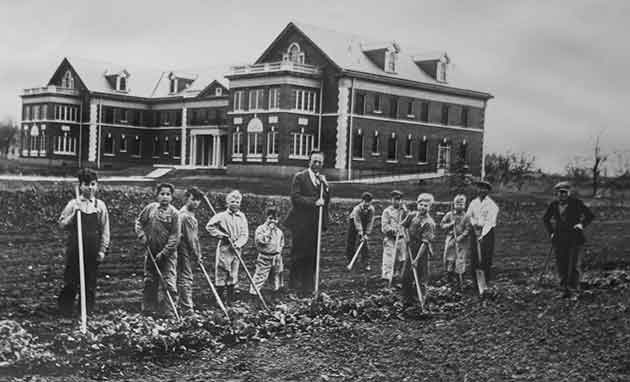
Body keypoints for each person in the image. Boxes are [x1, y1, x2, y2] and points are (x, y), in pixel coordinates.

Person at [57, 168, 110, 316]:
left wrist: (102, 250)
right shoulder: (73, 204)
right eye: (86, 184)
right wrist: (74, 215)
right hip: (75, 248)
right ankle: (65, 310)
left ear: (97, 185)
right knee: (71, 281)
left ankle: (85, 311)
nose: (90, 188)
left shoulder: (100, 206)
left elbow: (105, 230)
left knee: (89, 283)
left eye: (93, 184)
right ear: (80, 186)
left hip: (92, 249)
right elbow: (61, 224)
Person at [284, 150, 331, 296]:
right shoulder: (300, 177)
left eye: (320, 162)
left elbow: (325, 201)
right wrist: (314, 202)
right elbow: (295, 198)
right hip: (300, 223)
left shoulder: (321, 180)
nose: (317, 164)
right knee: (299, 253)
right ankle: (293, 285)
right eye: (314, 161)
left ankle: (308, 285)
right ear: (309, 162)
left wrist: (326, 187)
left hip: (314, 224)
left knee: (312, 255)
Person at [134, 183, 181, 317]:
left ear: (172, 197)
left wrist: (164, 253)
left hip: (168, 255)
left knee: (169, 282)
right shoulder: (150, 209)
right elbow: (139, 222)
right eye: (162, 194)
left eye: (168, 194)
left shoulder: (175, 214)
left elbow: (175, 236)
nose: (165, 197)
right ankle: (148, 309)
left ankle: (169, 312)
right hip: (151, 252)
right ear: (157, 195)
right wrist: (142, 235)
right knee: (149, 280)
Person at [543, 181, 594, 297]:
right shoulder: (554, 205)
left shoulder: (576, 203)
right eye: (559, 193)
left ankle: (574, 290)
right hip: (559, 238)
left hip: (575, 238)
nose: (562, 195)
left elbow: (590, 216)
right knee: (562, 265)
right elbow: (545, 219)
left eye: (564, 192)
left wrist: (581, 225)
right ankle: (564, 290)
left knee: (574, 265)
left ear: (569, 193)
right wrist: (551, 232)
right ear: (556, 194)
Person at [206, 190, 249, 305]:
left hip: (236, 249)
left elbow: (245, 234)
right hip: (225, 249)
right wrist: (222, 236)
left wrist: (238, 243)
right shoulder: (221, 216)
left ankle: (230, 298)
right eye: (232, 201)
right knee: (222, 271)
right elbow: (209, 227)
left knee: (233, 272)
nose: (235, 204)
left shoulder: (242, 217)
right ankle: (218, 298)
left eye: (237, 202)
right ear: (227, 203)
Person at [401, 193, 436, 305]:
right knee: (406, 275)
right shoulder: (412, 216)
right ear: (417, 204)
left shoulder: (429, 223)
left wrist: (416, 259)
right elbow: (403, 226)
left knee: (421, 276)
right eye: (421, 204)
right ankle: (407, 298)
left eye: (426, 205)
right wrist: (406, 237)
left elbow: (425, 243)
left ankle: (421, 300)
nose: (422, 207)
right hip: (411, 248)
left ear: (429, 207)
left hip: (422, 251)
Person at [177, 187, 204, 316]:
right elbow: (191, 239)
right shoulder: (186, 216)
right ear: (186, 198)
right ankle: (187, 309)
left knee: (181, 277)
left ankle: (180, 305)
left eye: (198, 201)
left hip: (183, 248)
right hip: (183, 249)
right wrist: (197, 255)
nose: (196, 203)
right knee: (186, 278)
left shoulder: (186, 213)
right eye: (193, 199)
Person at [466, 180, 499, 284]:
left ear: (488, 191)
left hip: (487, 233)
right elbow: (469, 216)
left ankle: (485, 281)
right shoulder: (473, 202)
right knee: (474, 256)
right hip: (474, 231)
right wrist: (474, 225)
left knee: (486, 257)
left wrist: (481, 235)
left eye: (485, 189)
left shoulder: (492, 205)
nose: (482, 190)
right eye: (480, 188)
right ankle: (475, 281)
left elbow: (490, 222)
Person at [250, 207, 285, 295]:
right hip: (264, 257)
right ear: (266, 218)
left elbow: (281, 243)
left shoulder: (279, 232)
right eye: (270, 218)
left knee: (275, 275)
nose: (273, 221)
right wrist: (269, 231)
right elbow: (261, 241)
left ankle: (273, 293)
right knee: (260, 276)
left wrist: (279, 252)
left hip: (276, 257)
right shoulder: (261, 229)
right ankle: (254, 294)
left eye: (275, 219)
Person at [440, 194, 471, 287]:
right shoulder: (449, 215)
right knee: (449, 258)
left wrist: (461, 237)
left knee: (460, 259)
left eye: (461, 204)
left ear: (465, 205)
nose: (459, 206)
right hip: (451, 240)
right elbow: (442, 225)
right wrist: (450, 224)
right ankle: (448, 278)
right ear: (454, 204)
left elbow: (468, 229)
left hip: (462, 242)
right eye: (457, 203)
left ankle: (459, 279)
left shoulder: (466, 217)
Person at [381, 190, 408, 285]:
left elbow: (408, 222)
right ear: (391, 200)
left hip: (401, 239)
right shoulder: (387, 211)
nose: (397, 202)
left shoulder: (404, 211)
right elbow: (384, 227)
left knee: (401, 259)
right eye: (395, 199)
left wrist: (405, 211)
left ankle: (397, 278)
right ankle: (386, 279)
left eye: (399, 199)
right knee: (389, 259)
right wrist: (392, 230)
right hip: (390, 239)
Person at [346, 192, 376, 271]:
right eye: (365, 201)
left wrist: (366, 234)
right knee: (351, 241)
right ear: (362, 201)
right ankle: (351, 260)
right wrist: (361, 233)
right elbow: (357, 222)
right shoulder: (357, 209)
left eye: (369, 202)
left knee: (364, 243)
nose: (367, 203)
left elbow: (370, 222)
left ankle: (366, 263)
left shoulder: (372, 209)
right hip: (353, 221)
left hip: (365, 222)